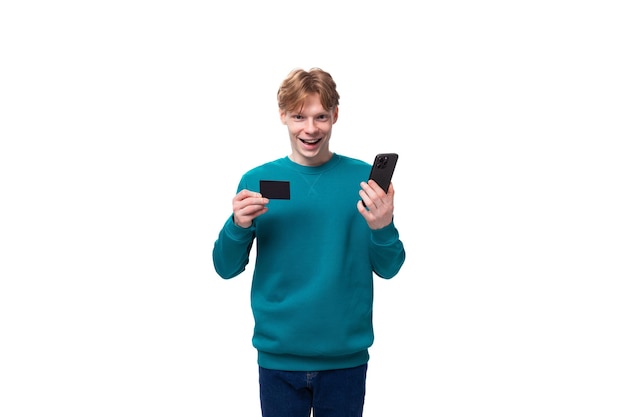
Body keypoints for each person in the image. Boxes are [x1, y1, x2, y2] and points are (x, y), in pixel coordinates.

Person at [212, 67, 406, 417]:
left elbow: (389, 268)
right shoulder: (257, 180)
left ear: (335, 115)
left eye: (320, 117)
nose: (311, 129)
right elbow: (225, 268)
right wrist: (237, 225)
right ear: (283, 115)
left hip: (344, 357)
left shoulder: (364, 180)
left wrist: (383, 227)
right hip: (278, 356)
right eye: (299, 116)